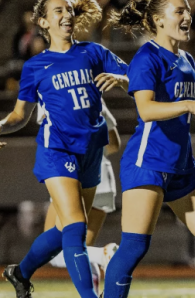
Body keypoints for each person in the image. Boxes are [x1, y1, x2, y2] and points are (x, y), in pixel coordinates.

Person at [0, 0, 128, 298]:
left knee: (64, 230)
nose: (66, 14)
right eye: (57, 11)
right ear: (43, 22)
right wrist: (3, 124)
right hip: (57, 151)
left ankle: (21, 273)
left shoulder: (93, 52)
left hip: (92, 151)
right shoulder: (35, 67)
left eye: (68, 9)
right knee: (77, 227)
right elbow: (20, 115)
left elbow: (137, 80)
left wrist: (121, 81)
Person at [104, 0, 195, 298]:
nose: (188, 16)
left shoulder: (185, 58)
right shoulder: (147, 56)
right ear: (158, 20)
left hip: (182, 165)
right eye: (179, 11)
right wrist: (189, 106)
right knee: (134, 246)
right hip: (149, 161)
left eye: (188, 11)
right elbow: (146, 110)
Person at [41, 99, 121, 295]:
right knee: (83, 249)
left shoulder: (51, 88)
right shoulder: (94, 96)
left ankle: (105, 255)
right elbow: (115, 144)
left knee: (55, 252)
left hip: (73, 176)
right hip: (103, 176)